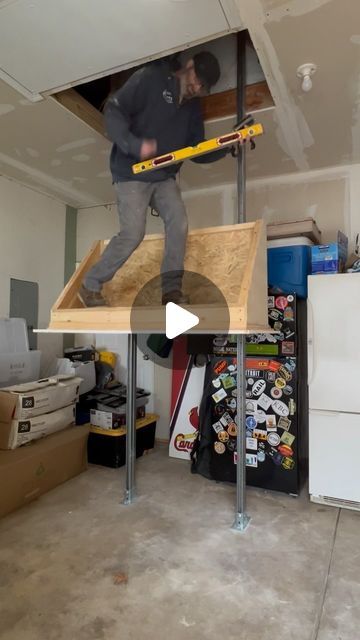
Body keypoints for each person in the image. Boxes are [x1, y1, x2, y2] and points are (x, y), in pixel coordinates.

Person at [79, 51, 229, 308]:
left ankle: (170, 292)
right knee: (133, 233)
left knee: (179, 223)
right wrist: (134, 144)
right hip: (131, 171)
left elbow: (196, 150)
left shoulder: (193, 108)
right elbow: (114, 111)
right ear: (188, 66)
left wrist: (229, 147)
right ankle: (90, 285)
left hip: (164, 175)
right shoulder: (151, 78)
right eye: (197, 80)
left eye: (203, 87)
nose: (197, 87)